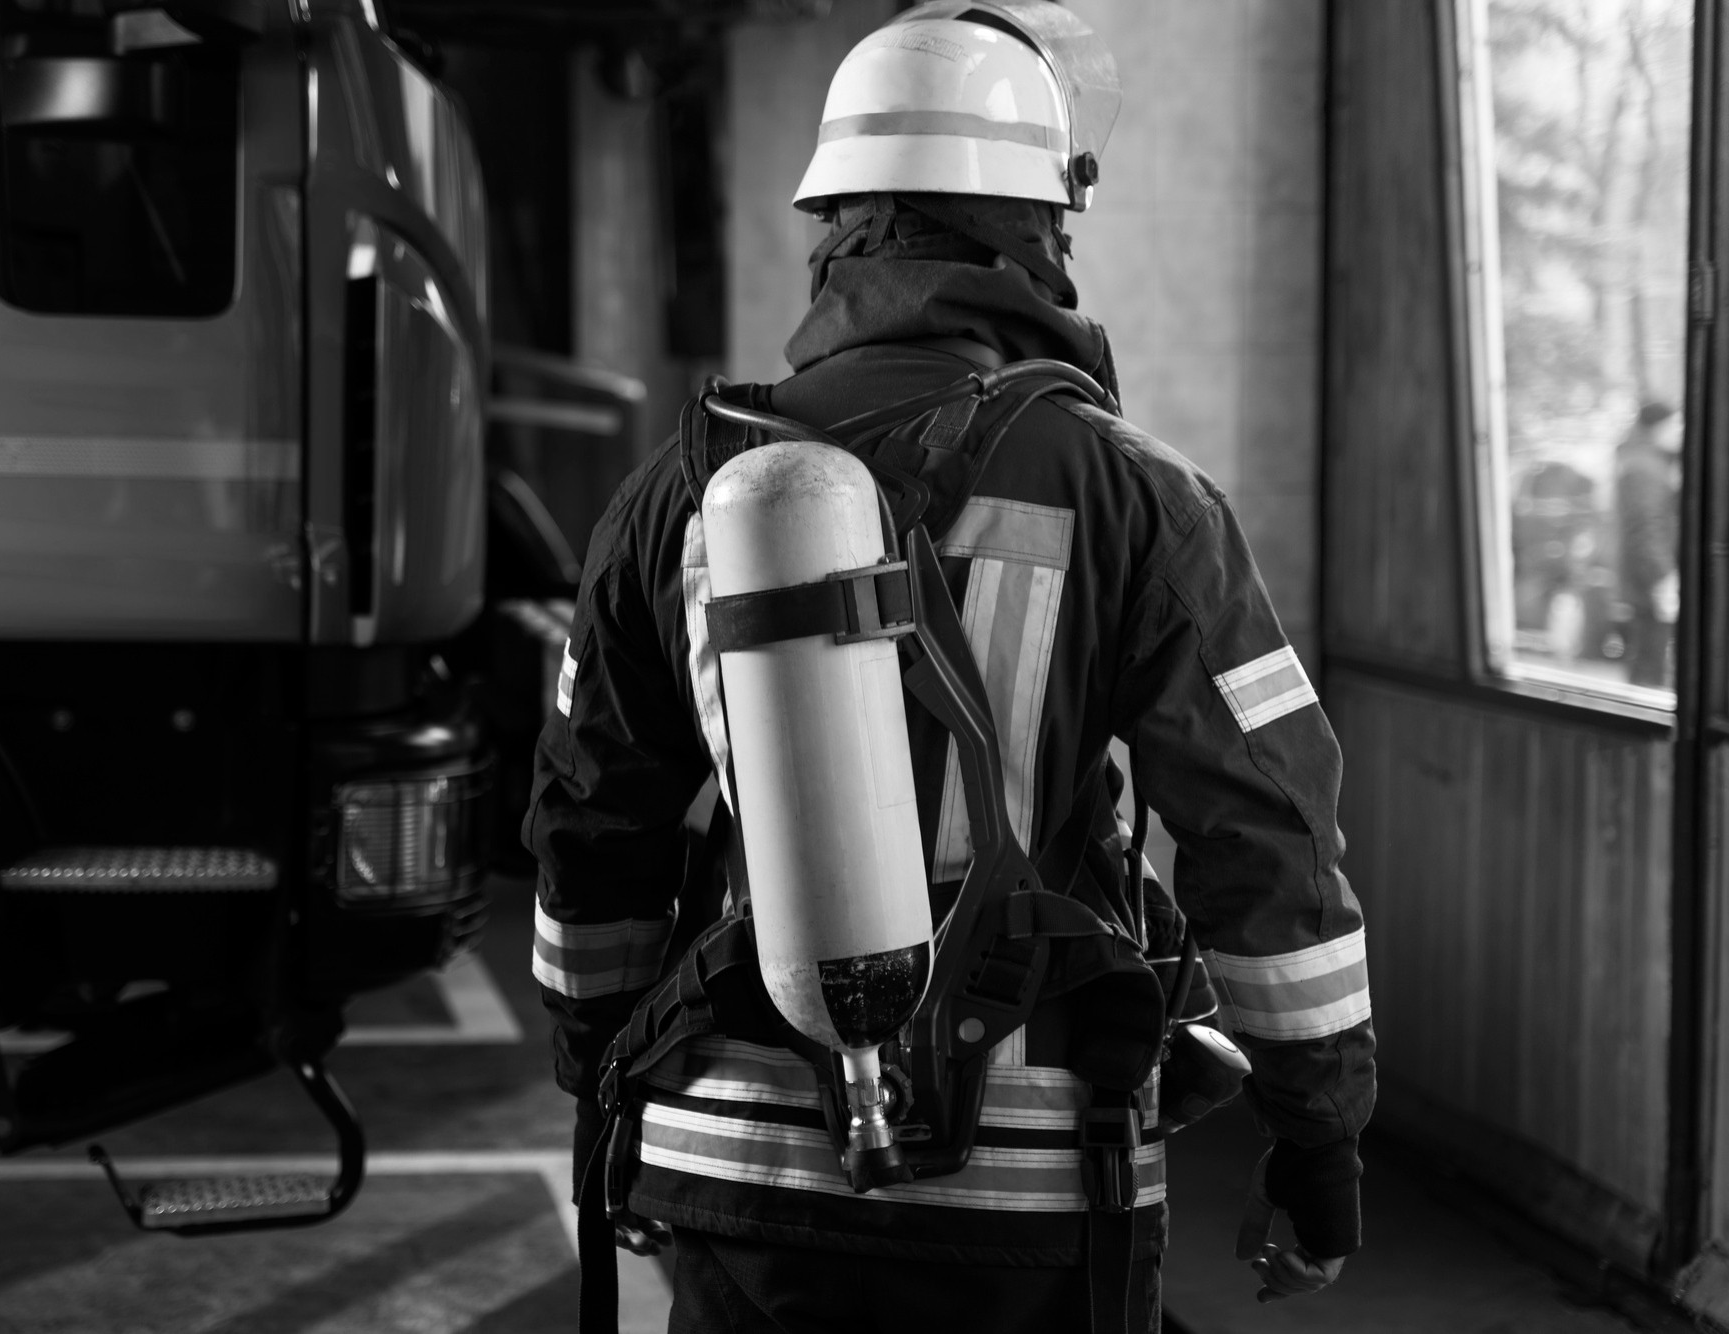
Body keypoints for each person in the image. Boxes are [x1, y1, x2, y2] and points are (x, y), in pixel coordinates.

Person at [524, 6, 1374, 1330]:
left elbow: (591, 828)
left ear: (837, 231)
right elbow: (1262, 827)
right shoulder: (1136, 494)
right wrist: (1316, 1142)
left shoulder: (682, 488)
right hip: (1030, 1184)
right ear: (1037, 236)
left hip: (734, 1161)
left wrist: (602, 1078)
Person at [1612, 400, 1681, 688]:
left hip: (1646, 575)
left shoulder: (1645, 462)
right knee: (1649, 658)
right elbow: (1645, 528)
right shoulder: (1645, 469)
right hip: (1650, 579)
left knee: (1648, 655)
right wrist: (1662, 577)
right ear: (1658, 428)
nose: (1680, 431)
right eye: (1676, 424)